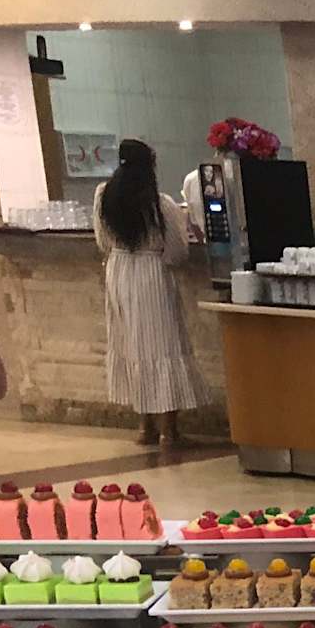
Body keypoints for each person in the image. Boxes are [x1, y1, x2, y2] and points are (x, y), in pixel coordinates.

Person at [93, 139, 206, 447]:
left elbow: (102, 241)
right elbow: (177, 251)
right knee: (162, 346)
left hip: (118, 272)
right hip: (151, 274)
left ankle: (145, 428)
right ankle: (170, 430)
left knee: (131, 347)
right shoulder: (161, 204)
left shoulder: (103, 197)